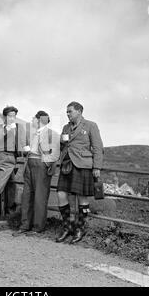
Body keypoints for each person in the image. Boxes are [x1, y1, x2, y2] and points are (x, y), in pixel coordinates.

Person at [56, 101, 103, 244]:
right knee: (61, 194)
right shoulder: (66, 127)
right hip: (67, 165)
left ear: (79, 111)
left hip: (83, 165)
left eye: (70, 111)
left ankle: (80, 229)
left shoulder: (90, 125)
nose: (67, 114)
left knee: (82, 198)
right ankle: (68, 227)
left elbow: (98, 147)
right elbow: (63, 146)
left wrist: (97, 167)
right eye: (67, 112)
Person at [13, 111, 60, 236]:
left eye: (34, 118)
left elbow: (55, 154)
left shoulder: (52, 134)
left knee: (40, 197)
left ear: (40, 120)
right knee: (27, 196)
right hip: (29, 164)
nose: (32, 120)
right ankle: (25, 225)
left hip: (41, 165)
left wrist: (45, 164)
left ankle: (38, 227)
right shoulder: (34, 134)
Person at [0, 106, 28, 214]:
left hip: (8, 158)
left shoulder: (19, 128)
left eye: (14, 116)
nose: (12, 118)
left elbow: (23, 145)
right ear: (4, 116)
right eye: (9, 116)